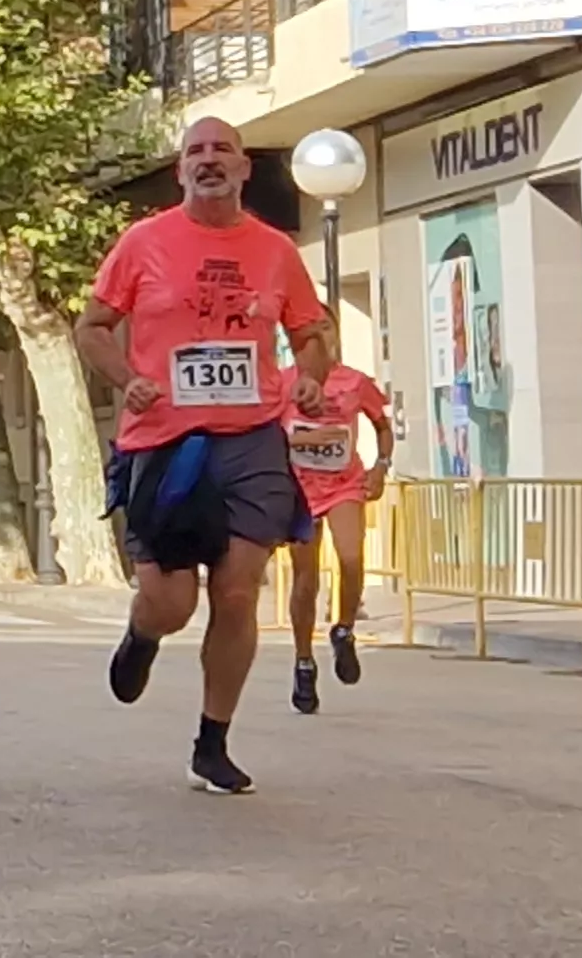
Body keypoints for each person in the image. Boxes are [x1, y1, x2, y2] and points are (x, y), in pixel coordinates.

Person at [82, 117, 336, 795]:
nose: (209, 160)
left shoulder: (276, 250)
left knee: (236, 589)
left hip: (249, 438)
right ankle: (144, 633)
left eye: (222, 150)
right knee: (171, 601)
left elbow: (312, 331)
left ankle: (212, 740)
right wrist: (124, 379)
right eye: (196, 151)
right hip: (162, 439)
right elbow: (93, 327)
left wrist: (308, 373)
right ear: (181, 170)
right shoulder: (144, 243)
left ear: (245, 169)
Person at [284, 356, 395, 714]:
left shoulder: (354, 381)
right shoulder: (283, 381)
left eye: (324, 330)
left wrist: (381, 466)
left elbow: (382, 425)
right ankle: (304, 661)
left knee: (350, 557)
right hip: (299, 489)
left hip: (344, 484)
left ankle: (344, 629)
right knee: (306, 578)